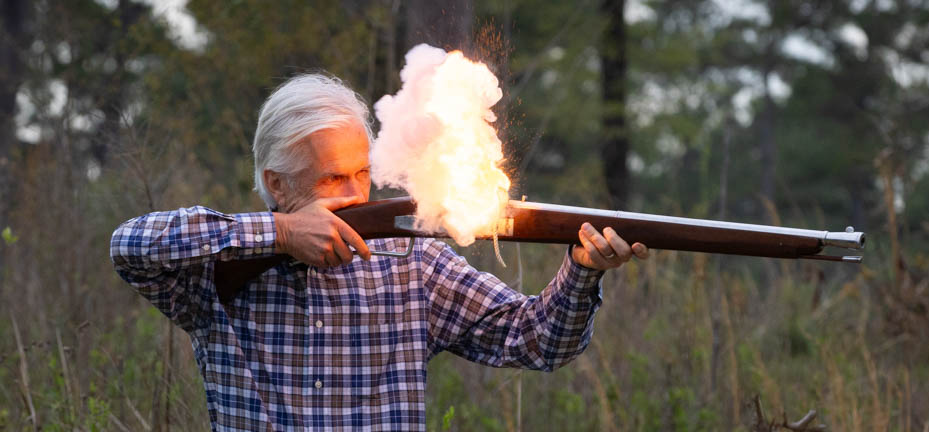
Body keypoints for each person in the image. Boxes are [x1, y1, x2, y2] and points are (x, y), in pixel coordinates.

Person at [110, 74, 649, 430]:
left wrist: (582, 269)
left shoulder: (412, 263)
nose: (356, 194)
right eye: (333, 178)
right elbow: (130, 245)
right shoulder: (222, 270)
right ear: (277, 185)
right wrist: (280, 234)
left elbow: (535, 342)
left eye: (362, 173)